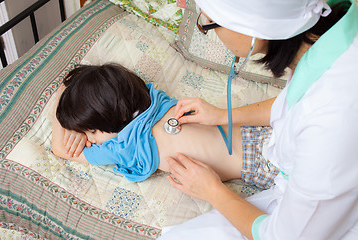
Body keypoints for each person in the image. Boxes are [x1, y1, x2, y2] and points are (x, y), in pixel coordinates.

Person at [158, 0, 358, 239]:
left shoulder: (332, 119)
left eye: (208, 23)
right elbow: (296, 104)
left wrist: (211, 190)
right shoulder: (333, 38)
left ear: (250, 29)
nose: (208, 30)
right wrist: (224, 115)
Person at [51, 63, 279, 185]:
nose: (90, 140)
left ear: (118, 117)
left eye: (91, 131)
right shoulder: (154, 98)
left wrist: (60, 96)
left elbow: (60, 149)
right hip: (261, 127)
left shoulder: (124, 147)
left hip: (264, 164)